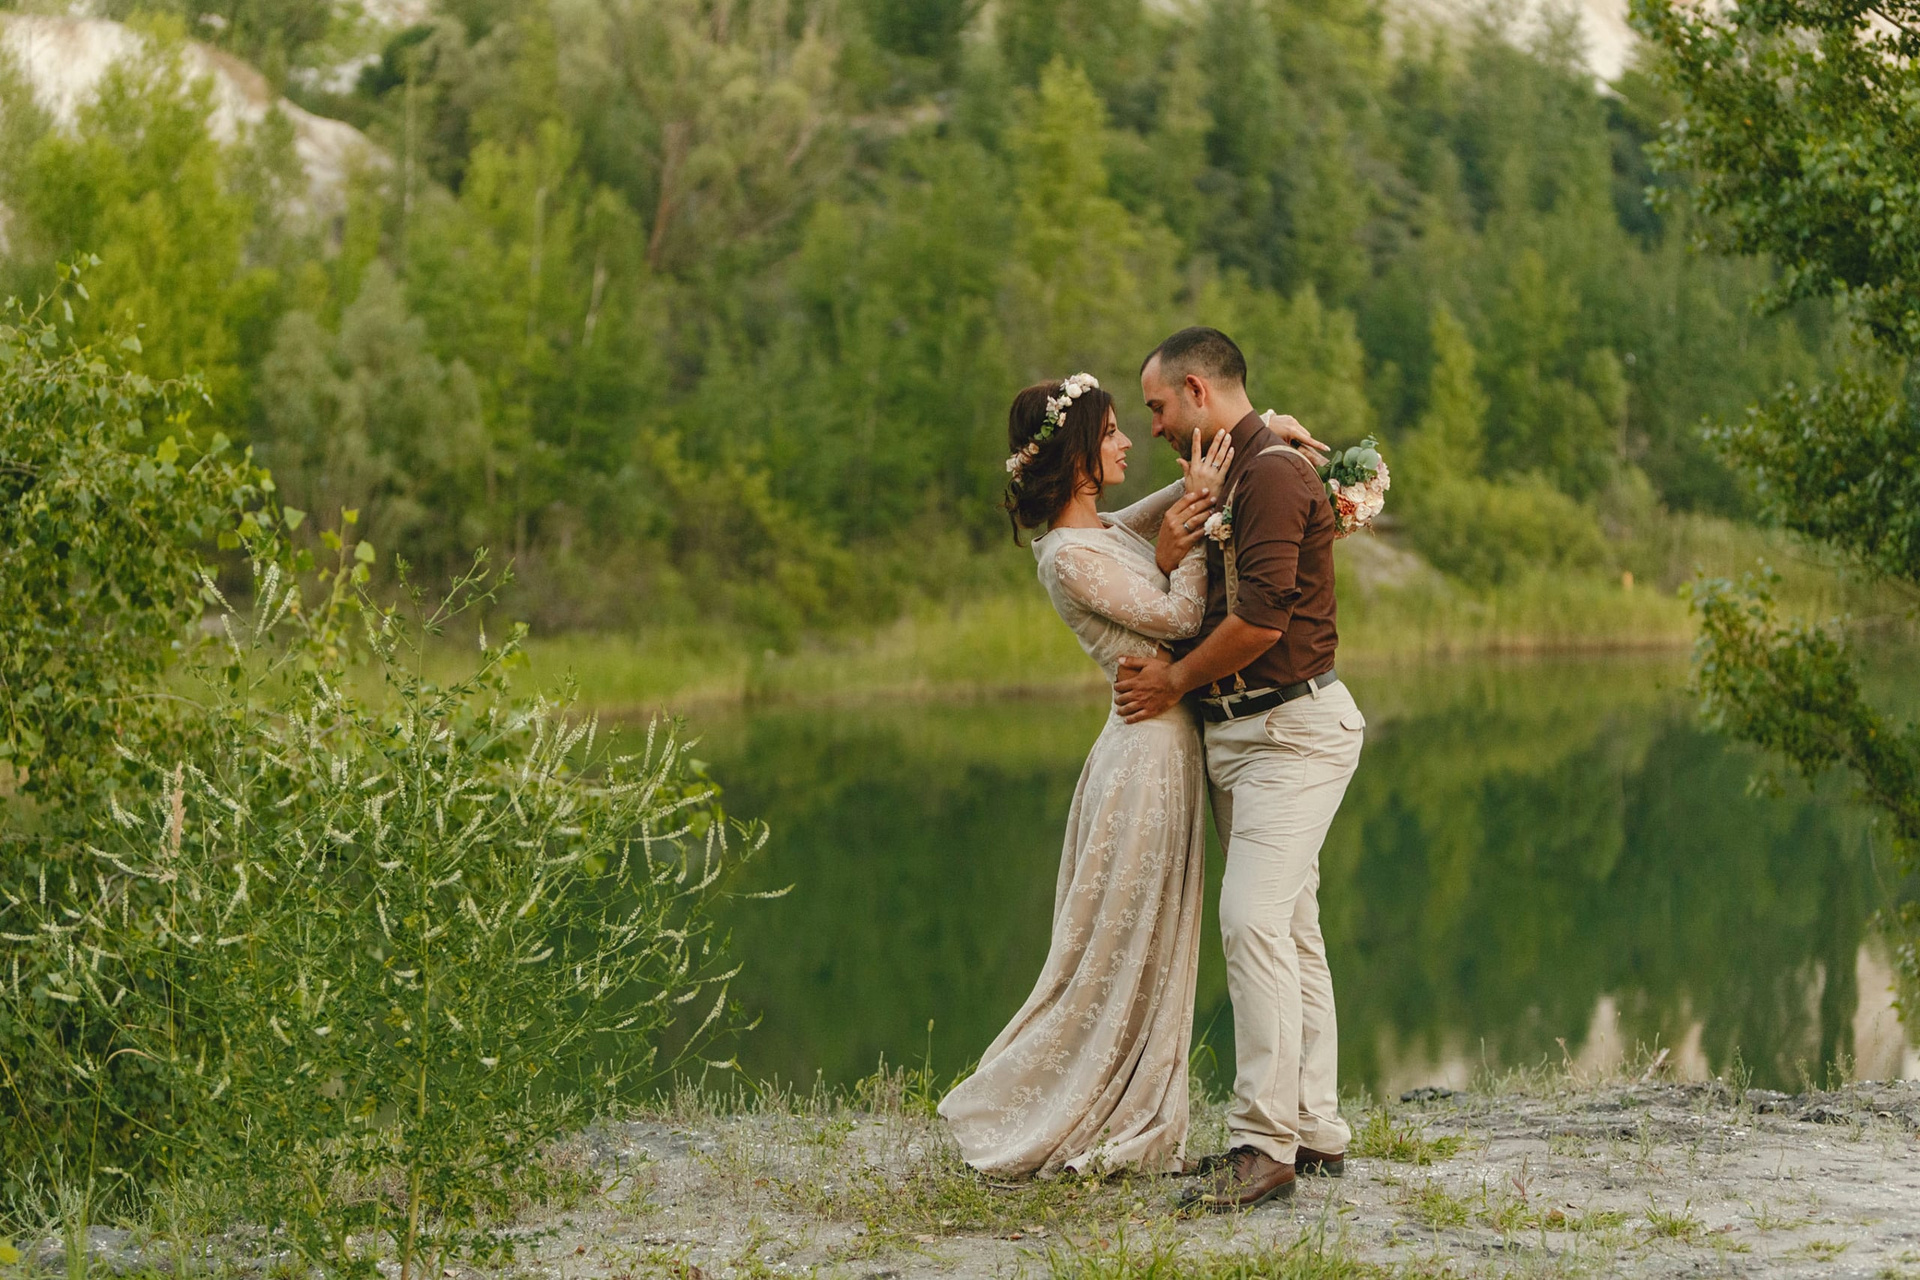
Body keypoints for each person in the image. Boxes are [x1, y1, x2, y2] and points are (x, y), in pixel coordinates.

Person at [936, 372, 1229, 1176]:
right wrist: (1193, 543)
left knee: (1148, 936)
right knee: (1115, 944)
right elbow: (1177, 618)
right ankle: (1079, 1103)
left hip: (1162, 750)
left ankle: (1133, 1095)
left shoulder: (1101, 530)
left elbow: (1167, 502)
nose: (1129, 440)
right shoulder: (1067, 558)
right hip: (1142, 757)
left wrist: (1243, 435)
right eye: (1110, 434)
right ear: (1076, 456)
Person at [1115, 326, 1364, 1212]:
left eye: (1155, 407)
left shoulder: (1271, 474)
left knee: (1251, 920)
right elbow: (1217, 594)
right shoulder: (1235, 469)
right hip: (1244, 735)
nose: (1150, 425)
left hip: (1292, 731)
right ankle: (1315, 1129)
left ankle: (1264, 1145)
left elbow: (1260, 623)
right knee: (1291, 929)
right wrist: (1177, 548)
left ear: (1194, 390)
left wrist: (1172, 680)